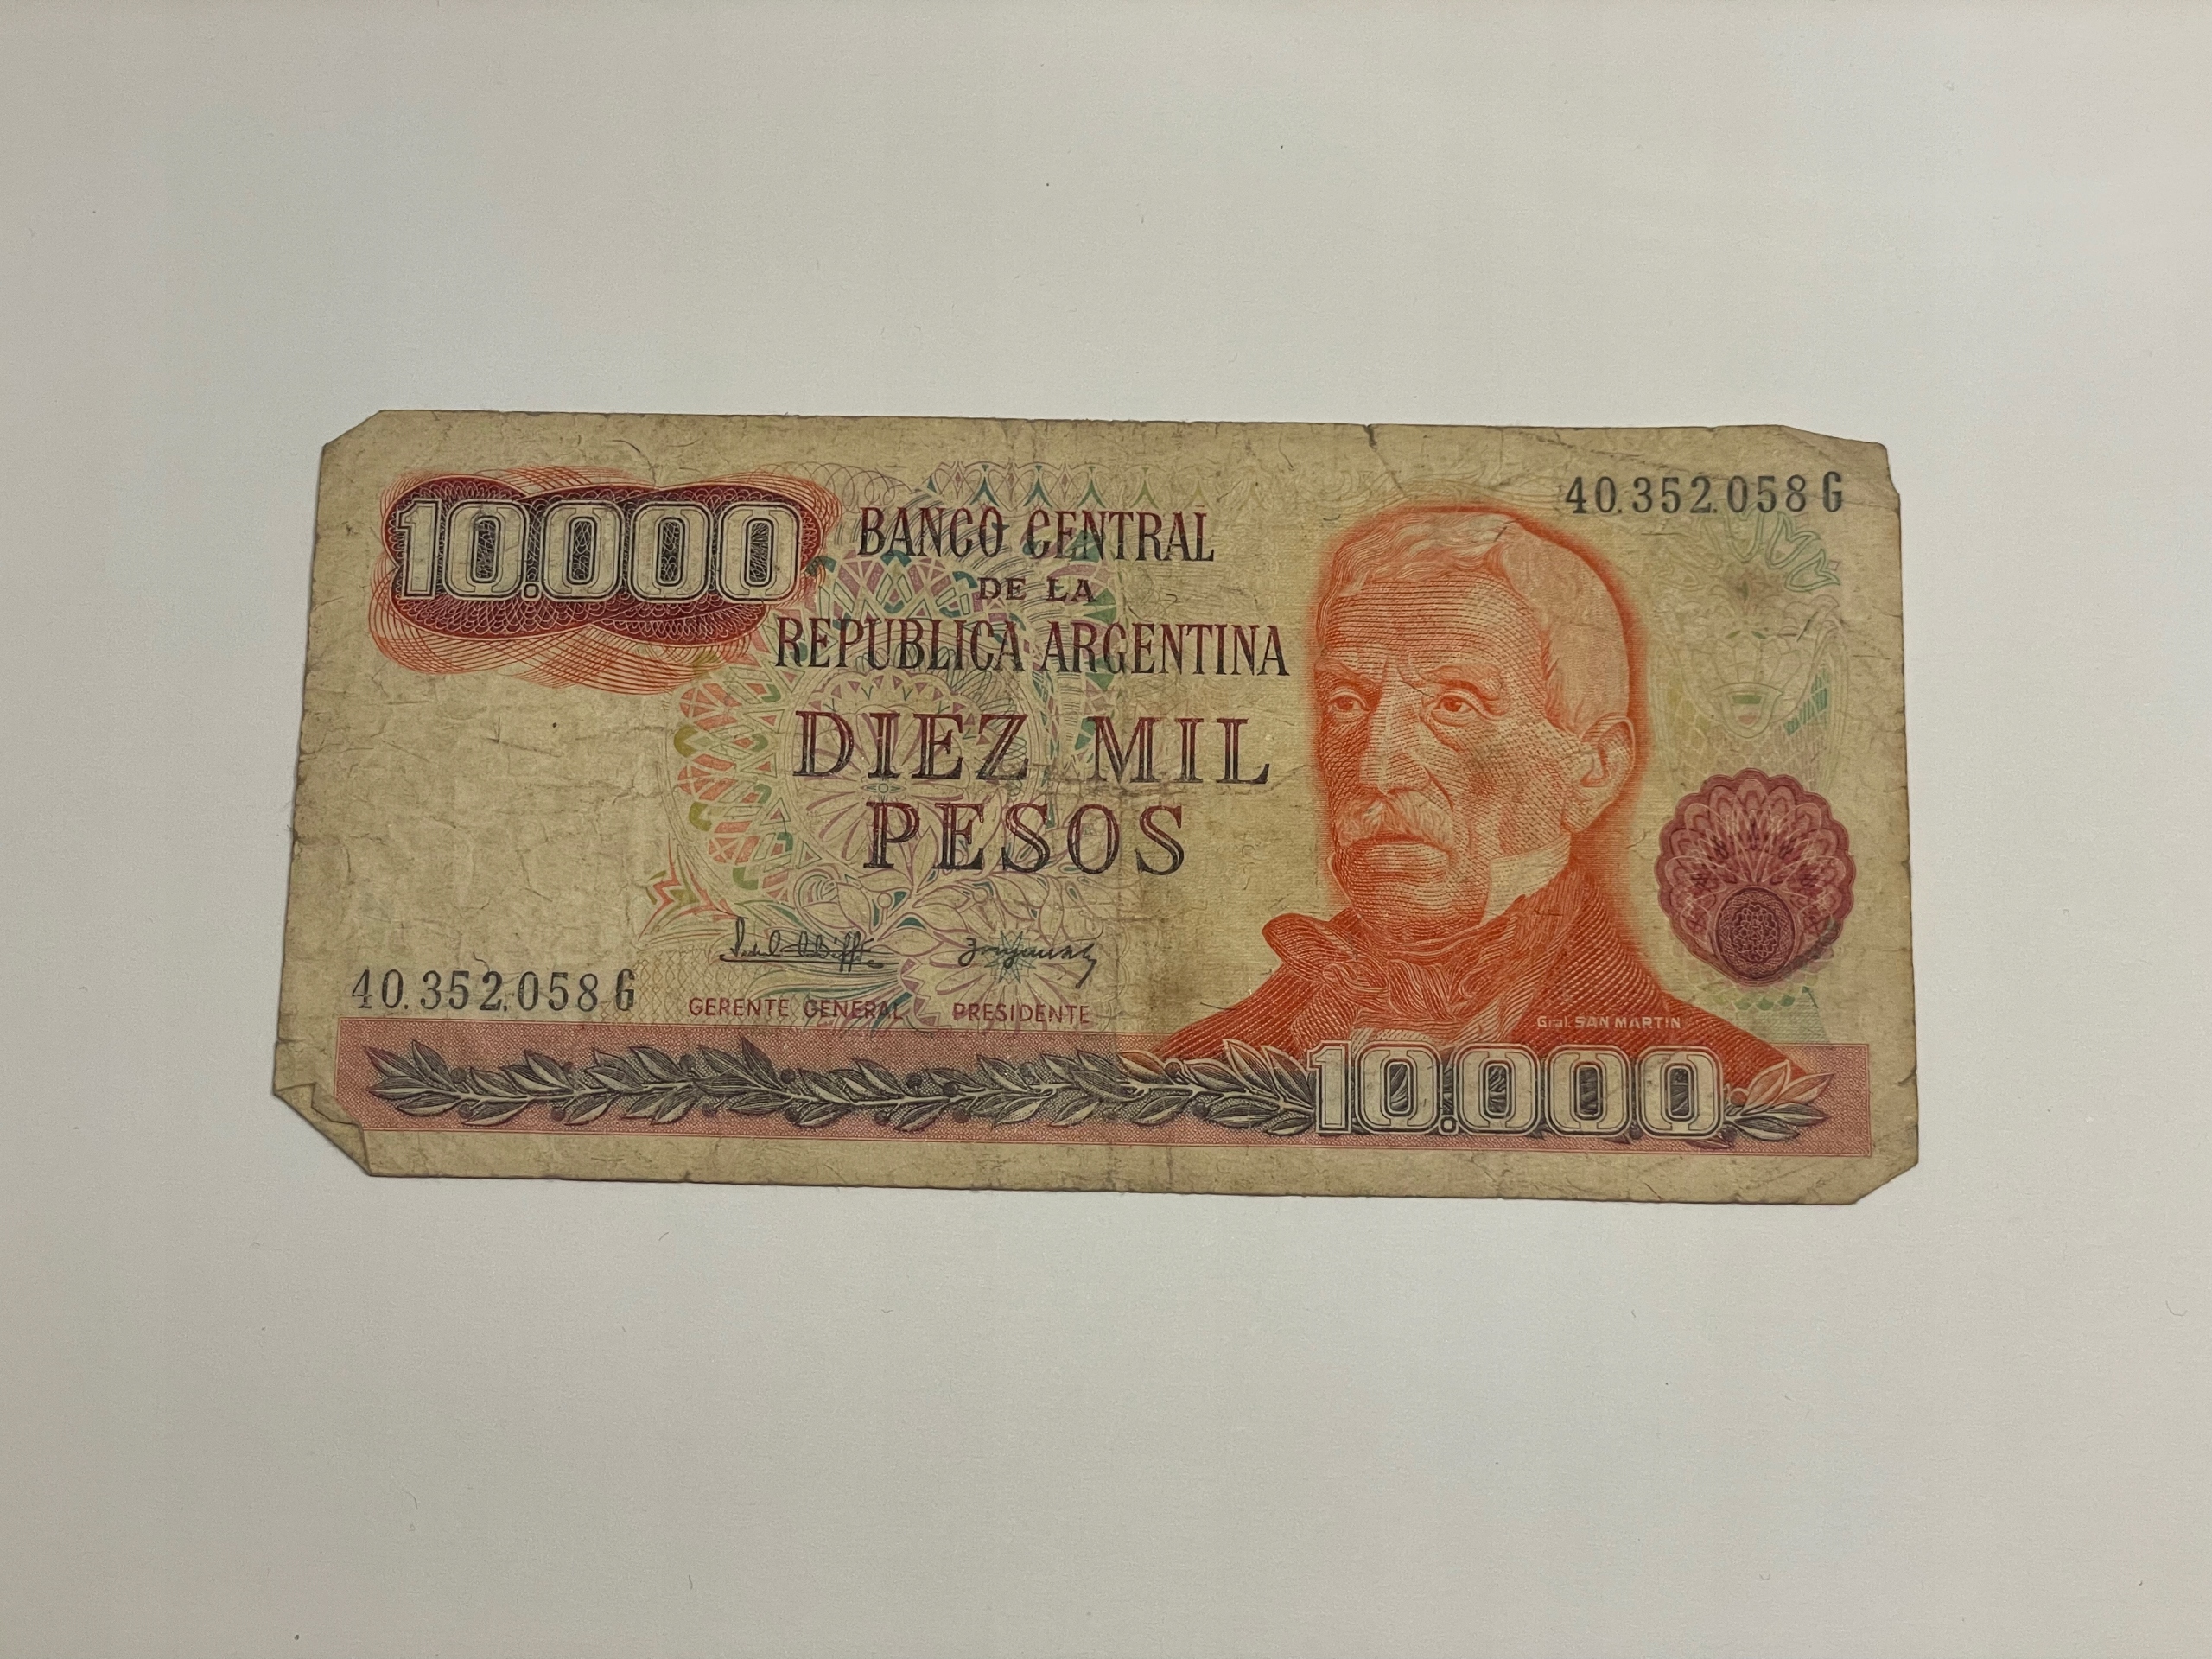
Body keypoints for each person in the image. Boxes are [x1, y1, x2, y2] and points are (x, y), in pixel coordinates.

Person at [1166, 502, 1784, 1086]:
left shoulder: (1743, 1086)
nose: (1376, 767)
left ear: (1593, 770)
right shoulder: (1177, 1078)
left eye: (1454, 705)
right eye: (1348, 703)